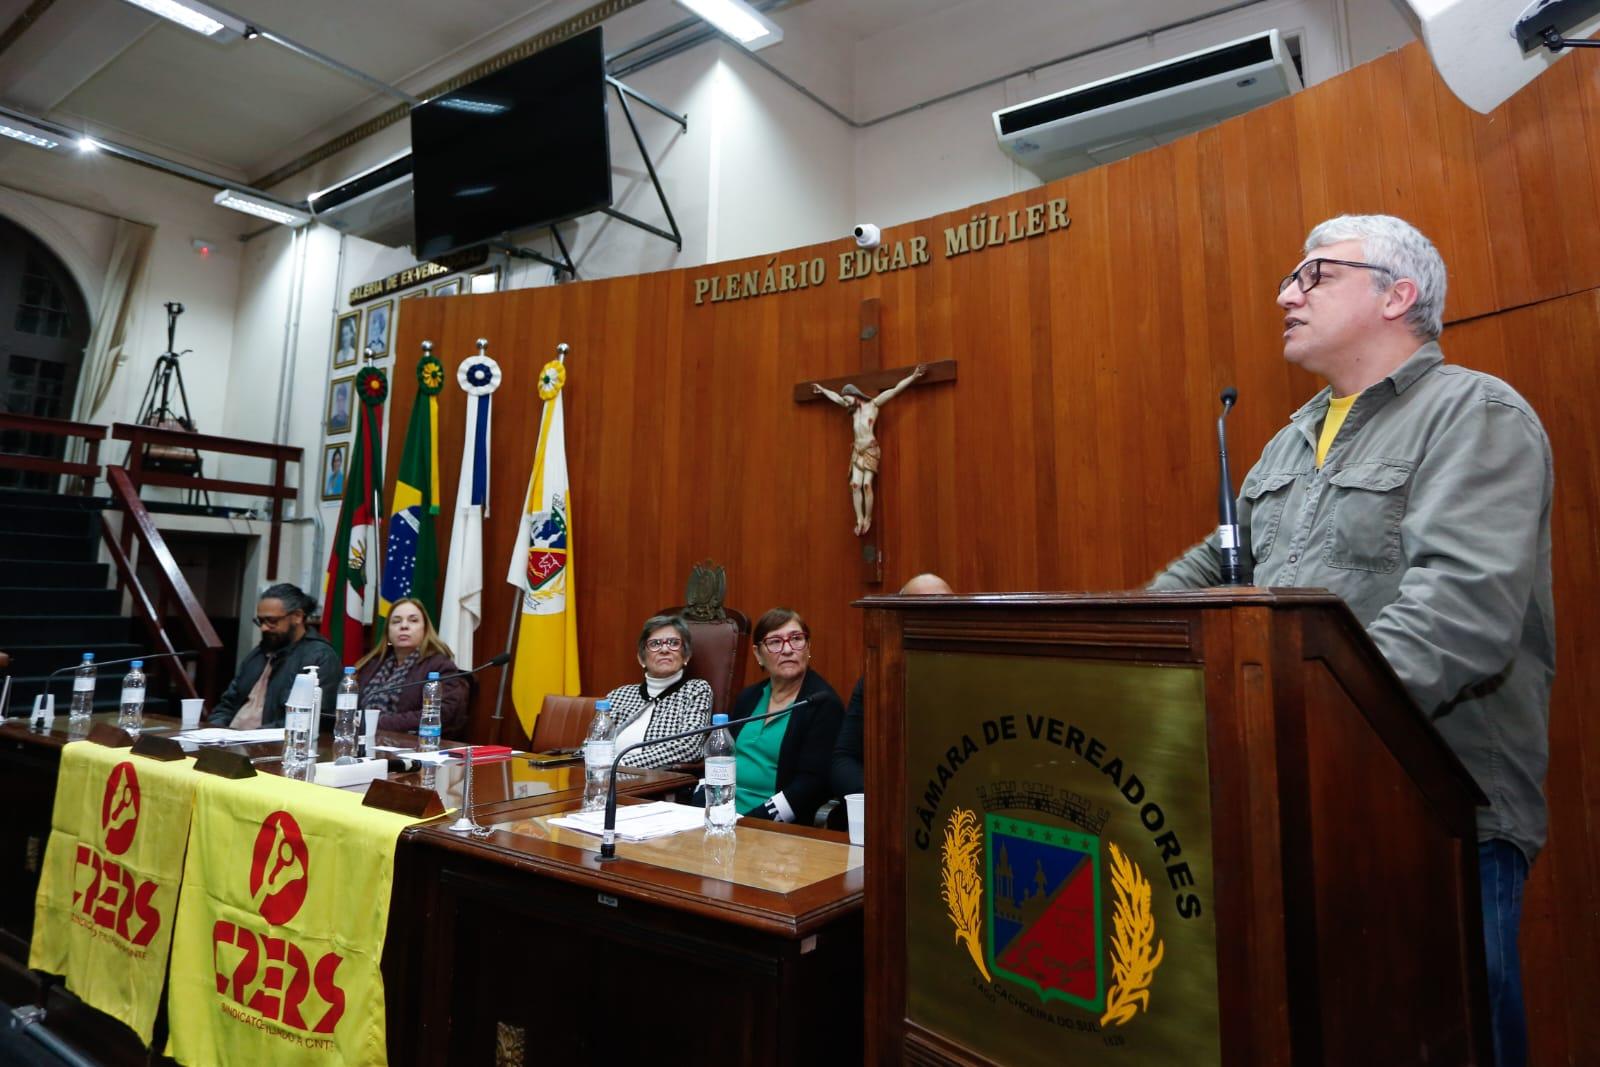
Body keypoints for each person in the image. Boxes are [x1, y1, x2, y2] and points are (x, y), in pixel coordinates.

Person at [1150, 214, 1553, 1067]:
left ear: (1397, 294)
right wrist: (1115, 647)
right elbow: (1216, 570)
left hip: (1439, 812)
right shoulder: (1292, 437)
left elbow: (1458, 616)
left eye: (1314, 274)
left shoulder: (1472, 413)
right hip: (1296, 803)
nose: (1284, 294)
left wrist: (1292, 720)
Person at [830, 573, 954, 802]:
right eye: (922, 611)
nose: (935, 619)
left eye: (944, 610)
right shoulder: (878, 679)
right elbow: (843, 760)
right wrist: (881, 804)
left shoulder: (971, 678)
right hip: (886, 806)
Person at [729, 608, 846, 825]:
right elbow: (723, 756)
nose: (787, 650)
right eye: (774, 642)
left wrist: (752, 821)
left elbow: (812, 784)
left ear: (808, 648)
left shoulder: (823, 704)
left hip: (772, 825)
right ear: (758, 654)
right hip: (725, 813)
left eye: (796, 639)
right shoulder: (749, 697)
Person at [813, 363, 926, 536]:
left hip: (870, 449)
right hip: (857, 451)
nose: (845, 401)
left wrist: (912, 376)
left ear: (854, 395)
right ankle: (859, 519)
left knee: (866, 485)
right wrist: (822, 389)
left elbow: (895, 390)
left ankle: (868, 518)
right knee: (855, 484)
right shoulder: (853, 410)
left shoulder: (873, 405)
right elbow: (835, 398)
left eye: (847, 398)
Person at [210, 583, 343, 728]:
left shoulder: (320, 657)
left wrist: (253, 736)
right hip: (229, 739)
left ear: (297, 616)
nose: (263, 628)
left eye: (272, 621)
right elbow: (227, 705)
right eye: (260, 621)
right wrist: (212, 730)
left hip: (270, 745)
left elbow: (311, 720)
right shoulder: (257, 654)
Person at [602, 615, 713, 769]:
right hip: (604, 778)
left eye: (674, 643)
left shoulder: (695, 690)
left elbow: (688, 747)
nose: (665, 649)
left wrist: (620, 765)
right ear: (642, 658)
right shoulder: (618, 695)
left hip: (656, 783)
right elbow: (594, 742)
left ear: (686, 656)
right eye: (655, 644)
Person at [353, 597, 469, 736]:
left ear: (425, 630)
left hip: (415, 745)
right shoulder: (372, 665)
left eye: (413, 620)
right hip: (363, 741)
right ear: (388, 632)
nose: (404, 626)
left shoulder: (440, 666)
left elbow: (442, 713)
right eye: (396, 621)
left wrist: (377, 723)